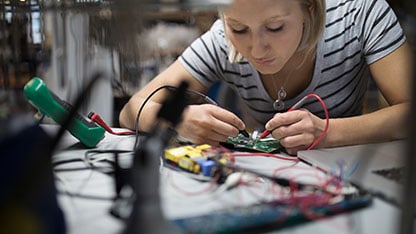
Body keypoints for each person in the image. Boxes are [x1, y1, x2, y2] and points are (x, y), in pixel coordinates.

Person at [119, 0, 413, 155]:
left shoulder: (359, 14)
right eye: (240, 29)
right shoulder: (222, 40)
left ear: (309, 7)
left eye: (275, 28)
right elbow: (132, 109)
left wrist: (325, 132)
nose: (257, 49)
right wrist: (178, 119)